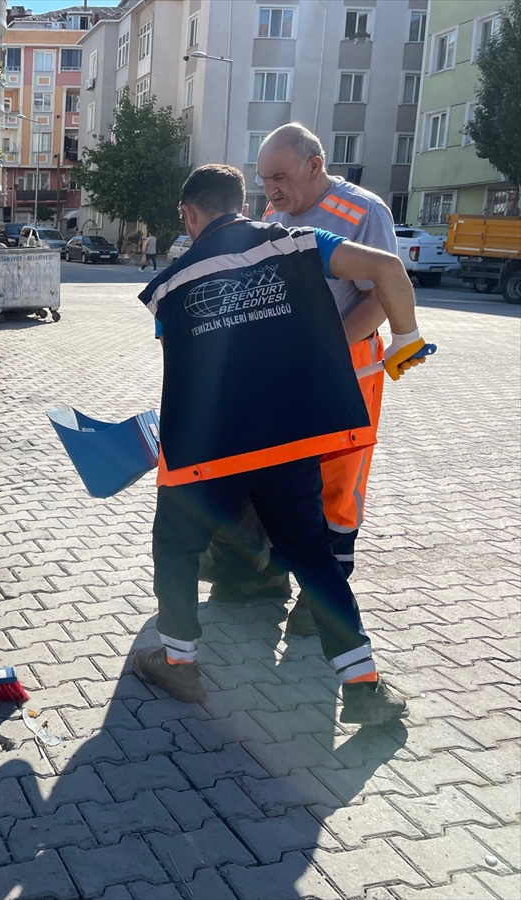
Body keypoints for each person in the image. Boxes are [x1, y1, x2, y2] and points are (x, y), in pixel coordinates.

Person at [133, 164, 428, 724]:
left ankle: (179, 662)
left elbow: (188, 366)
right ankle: (364, 686)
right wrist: (407, 339)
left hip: (209, 452)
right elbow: (387, 267)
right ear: (242, 203)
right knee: (311, 554)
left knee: (175, 547)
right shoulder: (298, 243)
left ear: (189, 214)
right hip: (290, 443)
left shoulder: (169, 285)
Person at [204, 124, 401, 634]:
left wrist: (326, 352)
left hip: (348, 373)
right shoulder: (277, 213)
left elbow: (382, 294)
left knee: (337, 486)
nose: (269, 190)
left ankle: (324, 604)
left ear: (315, 166)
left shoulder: (364, 212)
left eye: (280, 177)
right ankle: (269, 576)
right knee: (288, 480)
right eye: (264, 179)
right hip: (290, 374)